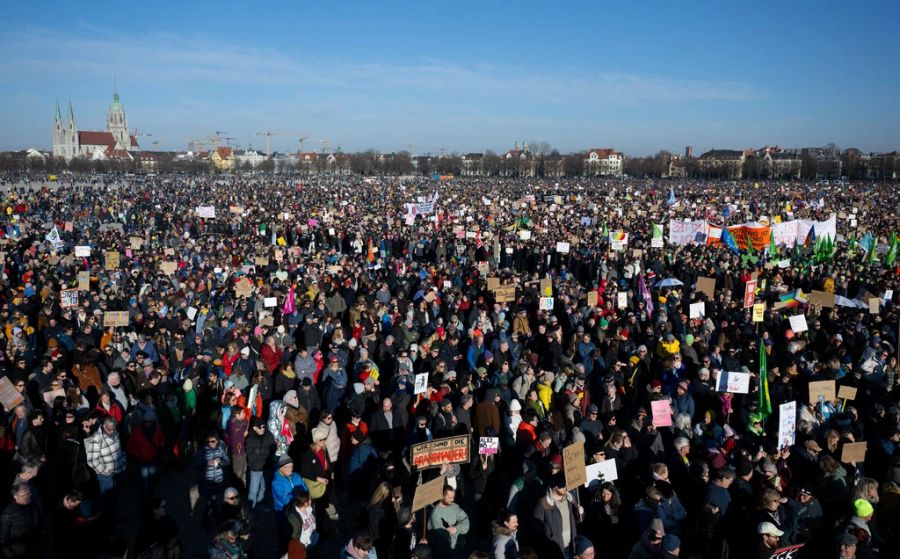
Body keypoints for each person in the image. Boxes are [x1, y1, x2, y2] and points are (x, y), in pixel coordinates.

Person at [532, 474, 580, 558]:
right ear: (554, 486)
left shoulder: (571, 498)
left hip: (571, 545)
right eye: (561, 485)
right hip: (555, 549)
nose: (565, 487)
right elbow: (536, 528)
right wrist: (548, 542)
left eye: (565, 484)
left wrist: (580, 512)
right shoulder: (543, 503)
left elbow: (579, 519)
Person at [0, 483, 46, 559]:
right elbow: (3, 541)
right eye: (24, 495)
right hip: (19, 554)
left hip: (36, 549)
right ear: (15, 496)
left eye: (29, 494)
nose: (28, 497)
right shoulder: (7, 514)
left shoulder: (33, 506)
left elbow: (39, 524)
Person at [427, 485, 471, 557]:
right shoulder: (435, 514)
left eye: (453, 497)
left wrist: (457, 529)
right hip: (445, 553)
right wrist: (458, 531)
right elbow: (444, 539)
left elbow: (465, 521)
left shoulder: (454, 507)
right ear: (442, 497)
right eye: (450, 498)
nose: (453, 500)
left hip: (459, 549)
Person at [245, 416, 275, 509]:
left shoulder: (268, 435)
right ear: (254, 428)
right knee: (253, 490)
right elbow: (250, 455)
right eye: (260, 427)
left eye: (263, 426)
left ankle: (259, 504)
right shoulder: (250, 438)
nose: (262, 429)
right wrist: (262, 454)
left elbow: (273, 448)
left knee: (263, 488)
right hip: (256, 468)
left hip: (266, 467)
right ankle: (250, 508)